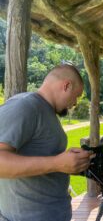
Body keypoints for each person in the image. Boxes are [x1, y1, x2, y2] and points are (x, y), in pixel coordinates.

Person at [0, 64, 92, 221]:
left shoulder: (46, 110)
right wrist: (57, 163)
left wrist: (70, 163)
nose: (75, 103)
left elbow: (43, 155)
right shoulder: (25, 106)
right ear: (66, 86)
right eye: (76, 96)